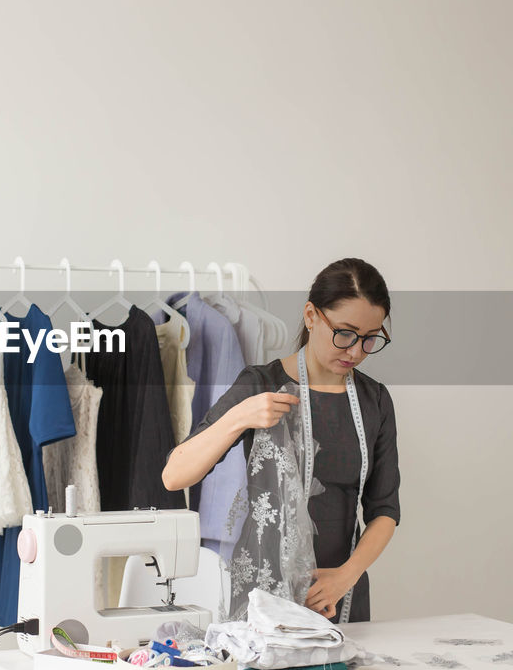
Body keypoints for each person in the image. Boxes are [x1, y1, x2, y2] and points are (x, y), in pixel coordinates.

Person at [162, 257, 401, 624]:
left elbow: (384, 509)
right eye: (346, 333)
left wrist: (346, 576)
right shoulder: (260, 384)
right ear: (311, 316)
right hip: (266, 595)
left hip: (341, 594)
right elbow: (175, 475)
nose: (355, 351)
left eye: (370, 339)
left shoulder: (375, 401)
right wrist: (239, 417)